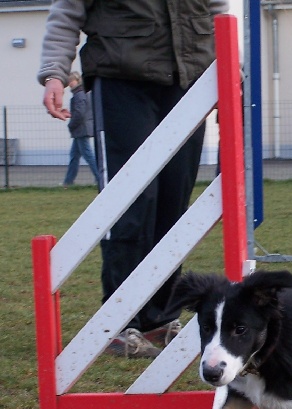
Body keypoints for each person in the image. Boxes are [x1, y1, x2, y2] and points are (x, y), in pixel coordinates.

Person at [38, 0, 229, 358]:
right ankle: (118, 321)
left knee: (174, 204)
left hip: (187, 82)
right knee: (129, 205)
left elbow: (218, 12)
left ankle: (162, 315)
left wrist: (229, 71)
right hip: (121, 81)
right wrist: (54, 73)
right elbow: (65, 15)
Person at [63, 72, 99, 187]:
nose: (69, 84)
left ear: (76, 81)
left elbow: (80, 113)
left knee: (88, 155)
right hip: (81, 129)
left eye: (71, 81)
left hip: (81, 129)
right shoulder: (82, 93)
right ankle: (68, 182)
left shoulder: (79, 94)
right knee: (74, 156)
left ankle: (100, 178)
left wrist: (71, 125)